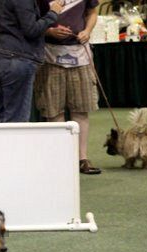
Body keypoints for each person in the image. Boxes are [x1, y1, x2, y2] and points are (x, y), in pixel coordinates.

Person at [34, 0, 101, 174]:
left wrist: (87, 31)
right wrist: (49, 31)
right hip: (50, 53)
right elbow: (32, 22)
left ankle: (82, 158)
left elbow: (92, 13)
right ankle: (61, 158)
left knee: (81, 108)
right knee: (53, 110)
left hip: (80, 53)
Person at [0, 0, 64, 123]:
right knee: (17, 119)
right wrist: (53, 13)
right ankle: (13, 142)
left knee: (2, 113)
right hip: (16, 57)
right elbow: (31, 30)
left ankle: (0, 142)